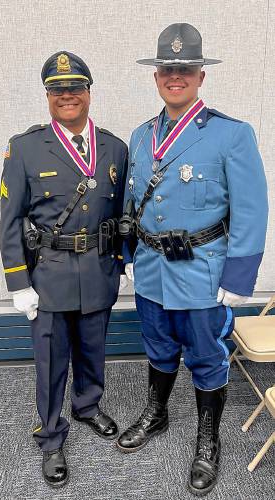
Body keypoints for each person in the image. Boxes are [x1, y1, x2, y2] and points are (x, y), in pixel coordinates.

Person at [117, 23, 268, 496]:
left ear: (201, 75)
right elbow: (130, 201)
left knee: (206, 356)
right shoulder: (142, 137)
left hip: (203, 272)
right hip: (151, 271)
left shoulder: (231, 135)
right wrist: (126, 253)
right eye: (167, 68)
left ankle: (208, 438)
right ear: (156, 75)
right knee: (158, 346)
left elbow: (251, 207)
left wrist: (239, 276)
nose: (175, 76)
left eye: (185, 68)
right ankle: (157, 413)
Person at [0, 51, 128, 488]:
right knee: (52, 358)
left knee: (93, 349)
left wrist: (122, 257)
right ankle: (51, 435)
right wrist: (18, 280)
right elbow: (11, 218)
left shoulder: (115, 147)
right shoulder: (26, 147)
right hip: (49, 272)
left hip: (97, 267)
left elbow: (121, 210)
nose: (67, 95)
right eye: (58, 89)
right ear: (48, 96)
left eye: (75, 87)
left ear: (89, 92)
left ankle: (88, 407)